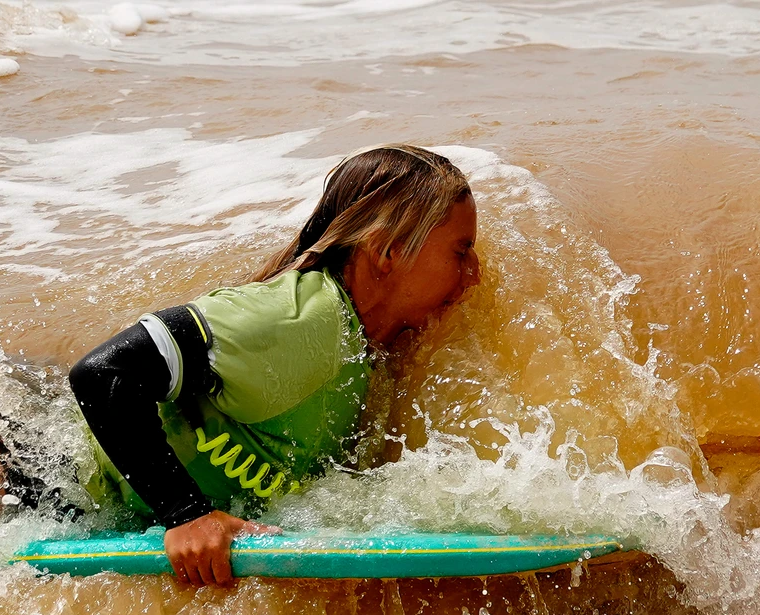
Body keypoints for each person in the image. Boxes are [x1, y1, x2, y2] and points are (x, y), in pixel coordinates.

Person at [68, 144, 480, 588]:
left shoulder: (364, 347)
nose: (474, 273)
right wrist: (186, 515)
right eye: (461, 252)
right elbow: (103, 373)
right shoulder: (300, 322)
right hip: (49, 493)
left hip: (107, 515)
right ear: (389, 252)